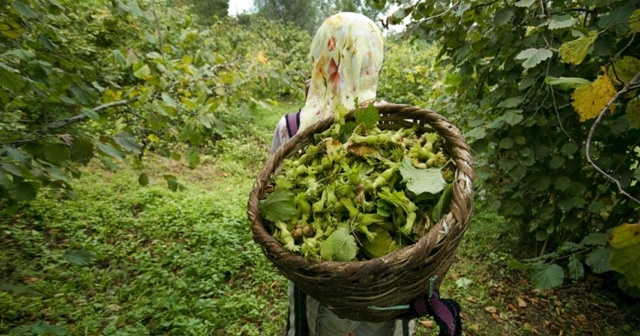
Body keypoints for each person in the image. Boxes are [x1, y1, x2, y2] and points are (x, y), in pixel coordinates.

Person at [270, 12, 416, 336]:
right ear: (373, 62)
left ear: (320, 58)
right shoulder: (395, 124)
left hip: (318, 285)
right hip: (384, 288)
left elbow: (272, 198)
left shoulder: (291, 128)